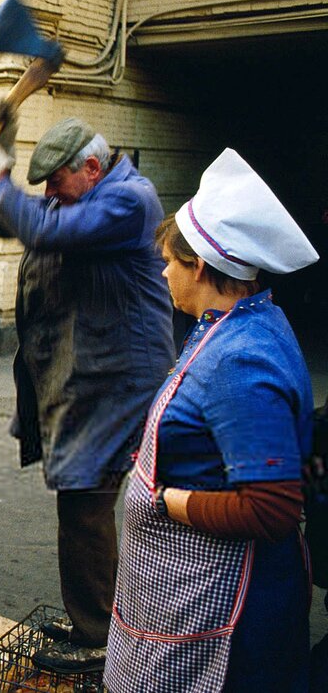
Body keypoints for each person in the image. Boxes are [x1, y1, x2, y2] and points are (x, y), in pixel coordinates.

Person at [0, 110, 174, 672]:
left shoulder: (129, 201)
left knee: (85, 500)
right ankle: (96, 617)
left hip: (116, 381)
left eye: (56, 181)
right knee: (82, 501)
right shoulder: (80, 196)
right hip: (80, 373)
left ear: (93, 168)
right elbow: (9, 223)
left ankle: (101, 635)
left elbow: (42, 228)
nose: (49, 194)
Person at [103, 150, 318, 692]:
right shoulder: (237, 322)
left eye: (171, 262)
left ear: (199, 266)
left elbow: (271, 508)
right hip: (188, 597)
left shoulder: (242, 358)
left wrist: (167, 501)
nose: (163, 272)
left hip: (227, 618)